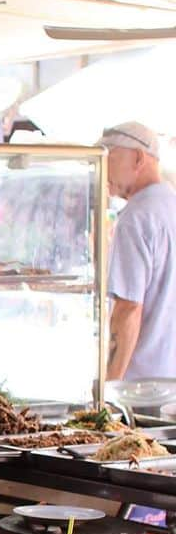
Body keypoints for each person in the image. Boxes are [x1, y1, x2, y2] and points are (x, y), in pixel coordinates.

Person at [99, 121, 176, 381]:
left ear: (138, 158)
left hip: (142, 386)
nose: (102, 167)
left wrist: (109, 386)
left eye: (110, 155)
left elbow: (129, 308)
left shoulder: (136, 218)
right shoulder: (170, 205)